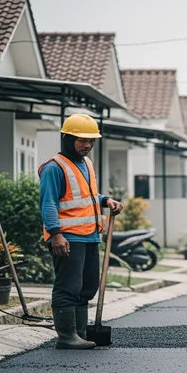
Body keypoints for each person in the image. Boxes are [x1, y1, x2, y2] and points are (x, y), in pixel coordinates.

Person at [38, 113, 123, 350]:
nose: (87, 145)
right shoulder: (54, 168)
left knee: (87, 287)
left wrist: (106, 200)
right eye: (82, 140)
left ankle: (81, 332)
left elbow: (86, 196)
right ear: (67, 138)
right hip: (67, 238)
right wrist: (55, 234)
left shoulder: (86, 164)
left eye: (91, 141)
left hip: (89, 236)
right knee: (68, 287)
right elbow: (48, 203)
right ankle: (67, 336)